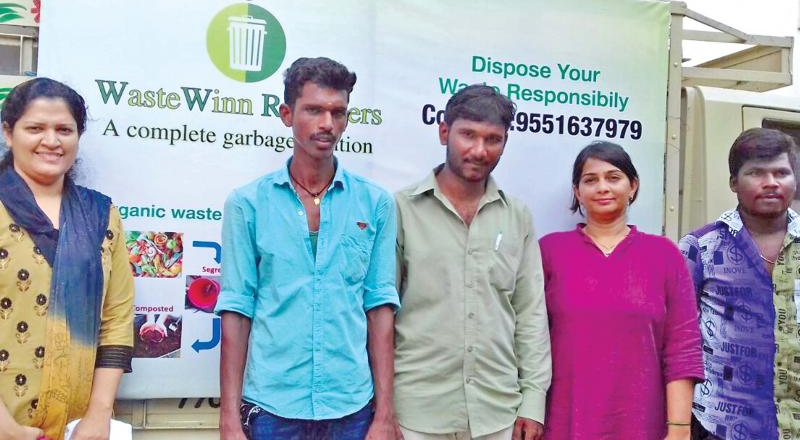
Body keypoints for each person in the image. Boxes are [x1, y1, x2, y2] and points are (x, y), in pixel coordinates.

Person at [216, 57, 400, 440]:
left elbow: (379, 307)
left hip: (352, 406)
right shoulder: (247, 204)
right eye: (314, 110)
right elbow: (236, 309)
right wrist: (229, 418)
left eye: (338, 112)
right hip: (272, 407)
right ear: (287, 114)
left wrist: (384, 413)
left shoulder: (375, 203)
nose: (327, 124)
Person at [394, 84, 551, 440]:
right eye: (468, 135)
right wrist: (384, 410)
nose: (480, 150)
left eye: (493, 139)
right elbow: (380, 315)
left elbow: (530, 314)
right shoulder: (400, 209)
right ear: (444, 132)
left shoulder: (517, 216)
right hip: (416, 414)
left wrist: (532, 402)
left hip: (498, 414)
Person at [539, 141, 703, 440]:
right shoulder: (550, 251)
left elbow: (682, 347)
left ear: (633, 186)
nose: (602, 187)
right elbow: (529, 341)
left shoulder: (664, 254)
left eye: (613, 177)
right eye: (591, 180)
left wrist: (679, 429)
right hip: (564, 423)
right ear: (577, 192)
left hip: (641, 424)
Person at [0, 77, 134, 440]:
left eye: (64, 129)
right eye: (35, 128)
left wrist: (98, 415)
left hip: (76, 427)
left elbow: (117, 319)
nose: (51, 140)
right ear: (9, 133)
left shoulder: (101, 214)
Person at [680, 128, 800, 440]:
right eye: (756, 173)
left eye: (781, 172)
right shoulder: (700, 247)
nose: (771, 182)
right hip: (720, 424)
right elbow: (679, 341)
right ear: (734, 182)